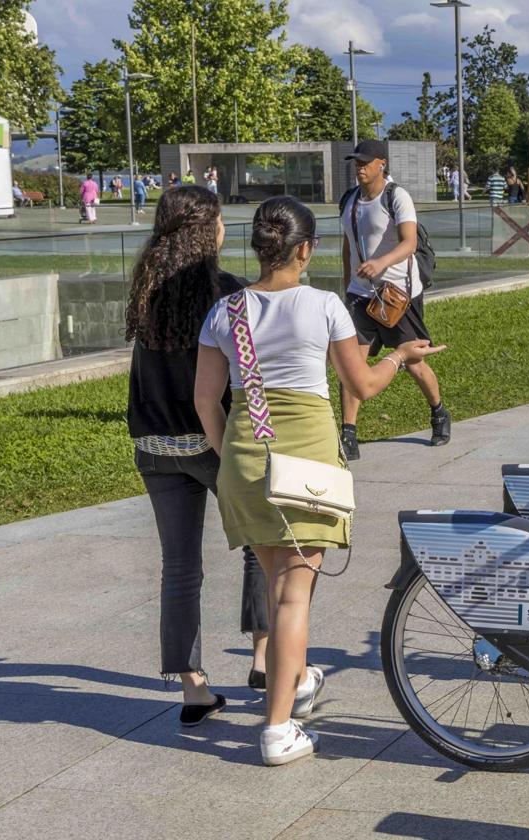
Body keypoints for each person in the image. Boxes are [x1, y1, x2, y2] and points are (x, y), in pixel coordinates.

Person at [195, 195, 443, 765]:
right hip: (306, 461)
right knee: (294, 596)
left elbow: (206, 401)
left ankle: (298, 681)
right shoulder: (324, 306)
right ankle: (278, 729)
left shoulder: (225, 311)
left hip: (245, 459)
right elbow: (363, 384)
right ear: (305, 250)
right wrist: (402, 355)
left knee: (277, 582)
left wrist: (231, 454)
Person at [126, 186, 270, 726]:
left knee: (179, 567)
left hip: (153, 445)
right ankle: (262, 658)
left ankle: (193, 688)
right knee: (260, 541)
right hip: (212, 440)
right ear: (207, 232)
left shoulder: (145, 288)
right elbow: (246, 372)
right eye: (220, 222)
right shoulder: (227, 291)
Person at [338, 139, 451, 457]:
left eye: (365, 162)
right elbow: (349, 246)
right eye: (356, 162)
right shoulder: (350, 200)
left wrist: (380, 263)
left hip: (396, 295)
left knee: (413, 361)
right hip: (360, 296)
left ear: (381, 164)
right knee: (351, 365)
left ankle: (439, 412)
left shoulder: (396, 196)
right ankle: (348, 434)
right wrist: (347, 287)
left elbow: (410, 243)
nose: (359, 167)